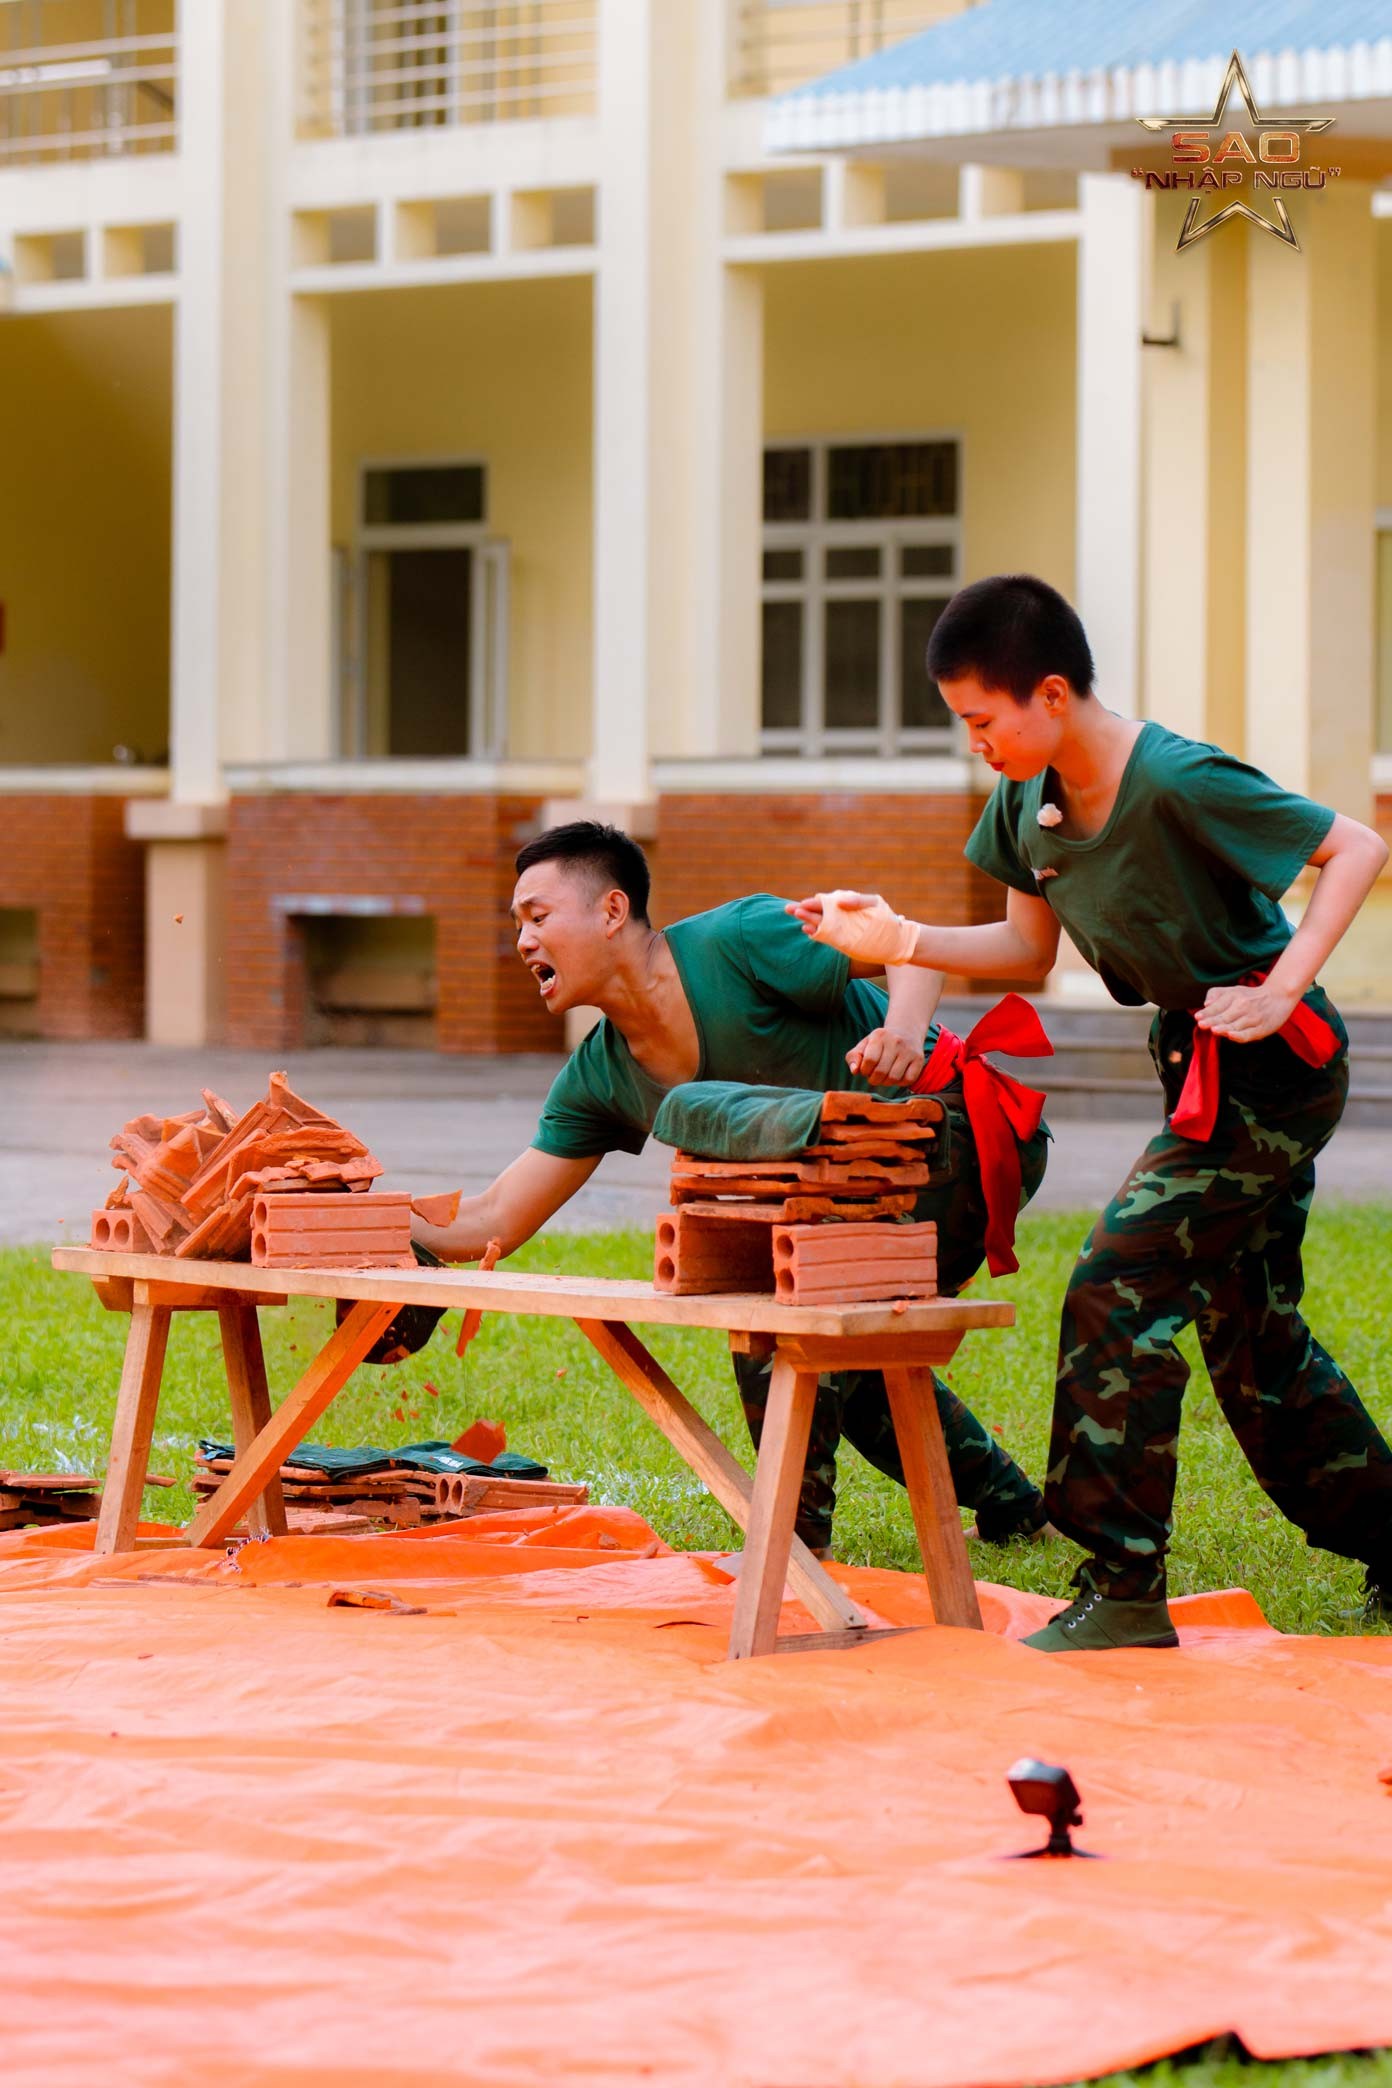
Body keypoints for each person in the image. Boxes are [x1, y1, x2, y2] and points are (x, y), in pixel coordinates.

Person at [791, 572, 1392, 1649]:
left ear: (1052, 693)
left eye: (982, 717)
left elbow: (1356, 846)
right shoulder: (1026, 802)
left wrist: (1286, 982)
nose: (973, 741)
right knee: (1251, 1333)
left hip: (1273, 1066)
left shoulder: (1176, 779)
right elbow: (1024, 951)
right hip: (1196, 1059)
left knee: (1119, 1281)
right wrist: (895, 942)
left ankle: (1123, 1588)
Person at [416, 819, 1053, 1559]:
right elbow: (495, 1216)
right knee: (845, 1338)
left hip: (958, 1132)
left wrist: (905, 1032)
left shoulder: (739, 939)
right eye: (517, 924)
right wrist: (357, 1218)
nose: (523, 940)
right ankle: (1014, 1510)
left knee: (788, 1293)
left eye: (538, 917)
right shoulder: (598, 1076)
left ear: (613, 911)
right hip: (843, 1198)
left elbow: (907, 945)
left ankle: (790, 1548)